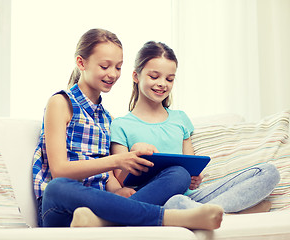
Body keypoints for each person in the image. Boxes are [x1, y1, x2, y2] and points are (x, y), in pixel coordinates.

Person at [32, 28, 224, 229]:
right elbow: (59, 170)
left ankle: (103, 223)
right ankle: (168, 218)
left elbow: (108, 178)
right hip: (62, 207)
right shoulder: (61, 103)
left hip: (101, 207)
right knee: (57, 187)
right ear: (81, 63)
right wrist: (117, 160)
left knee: (179, 174)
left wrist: (116, 191)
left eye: (118, 67)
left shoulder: (109, 119)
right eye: (105, 66)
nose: (113, 74)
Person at [110, 41, 280, 214]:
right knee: (177, 182)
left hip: (188, 198)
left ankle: (206, 212)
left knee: (268, 172)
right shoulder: (121, 125)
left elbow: (189, 167)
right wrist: (135, 155)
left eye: (169, 79)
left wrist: (194, 178)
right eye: (154, 77)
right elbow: (122, 181)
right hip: (152, 199)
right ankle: (228, 211)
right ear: (136, 76)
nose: (162, 84)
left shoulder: (180, 119)